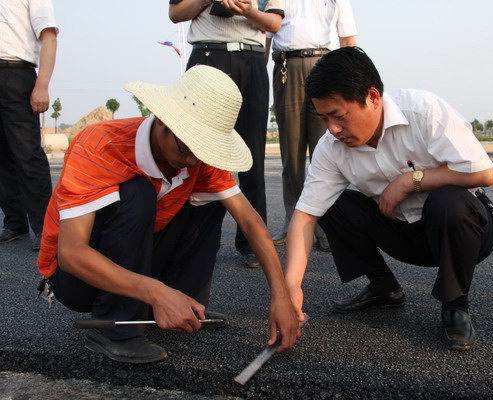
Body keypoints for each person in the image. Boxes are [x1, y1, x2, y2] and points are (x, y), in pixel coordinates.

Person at [36, 66, 300, 363]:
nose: (192, 160)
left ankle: (185, 304)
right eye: (186, 148)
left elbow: (250, 222)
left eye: (201, 152)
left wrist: (281, 297)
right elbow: (71, 253)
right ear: (163, 119)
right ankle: (115, 327)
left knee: (215, 197)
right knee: (138, 191)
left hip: (139, 260)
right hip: (76, 278)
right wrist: (156, 291)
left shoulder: (199, 157)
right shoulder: (99, 146)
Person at [284, 47, 493, 351]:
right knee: (330, 204)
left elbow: (482, 173)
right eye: (323, 118)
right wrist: (290, 286)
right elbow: (305, 215)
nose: (332, 129)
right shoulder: (330, 147)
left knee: (449, 200)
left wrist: (411, 181)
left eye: (338, 116)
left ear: (372, 97)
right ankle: (383, 288)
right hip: (404, 232)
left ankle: (455, 306)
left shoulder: (424, 111)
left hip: (465, 230)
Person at [169, 0, 284, 269]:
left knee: (252, 155)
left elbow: (274, 24)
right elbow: (175, 14)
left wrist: (248, 10)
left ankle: (252, 243)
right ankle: (197, 240)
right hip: (207, 55)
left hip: (251, 58)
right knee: (197, 152)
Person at [265, 0, 358, 251]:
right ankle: (292, 221)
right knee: (291, 153)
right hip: (286, 66)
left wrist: (351, 81)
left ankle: (328, 224)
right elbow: (267, 35)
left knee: (325, 150)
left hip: (324, 64)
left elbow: (347, 38)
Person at [0, 0, 58, 251]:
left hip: (15, 73)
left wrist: (42, 85)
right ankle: (15, 223)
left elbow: (49, 36)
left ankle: (46, 228)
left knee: (27, 154)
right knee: (1, 157)